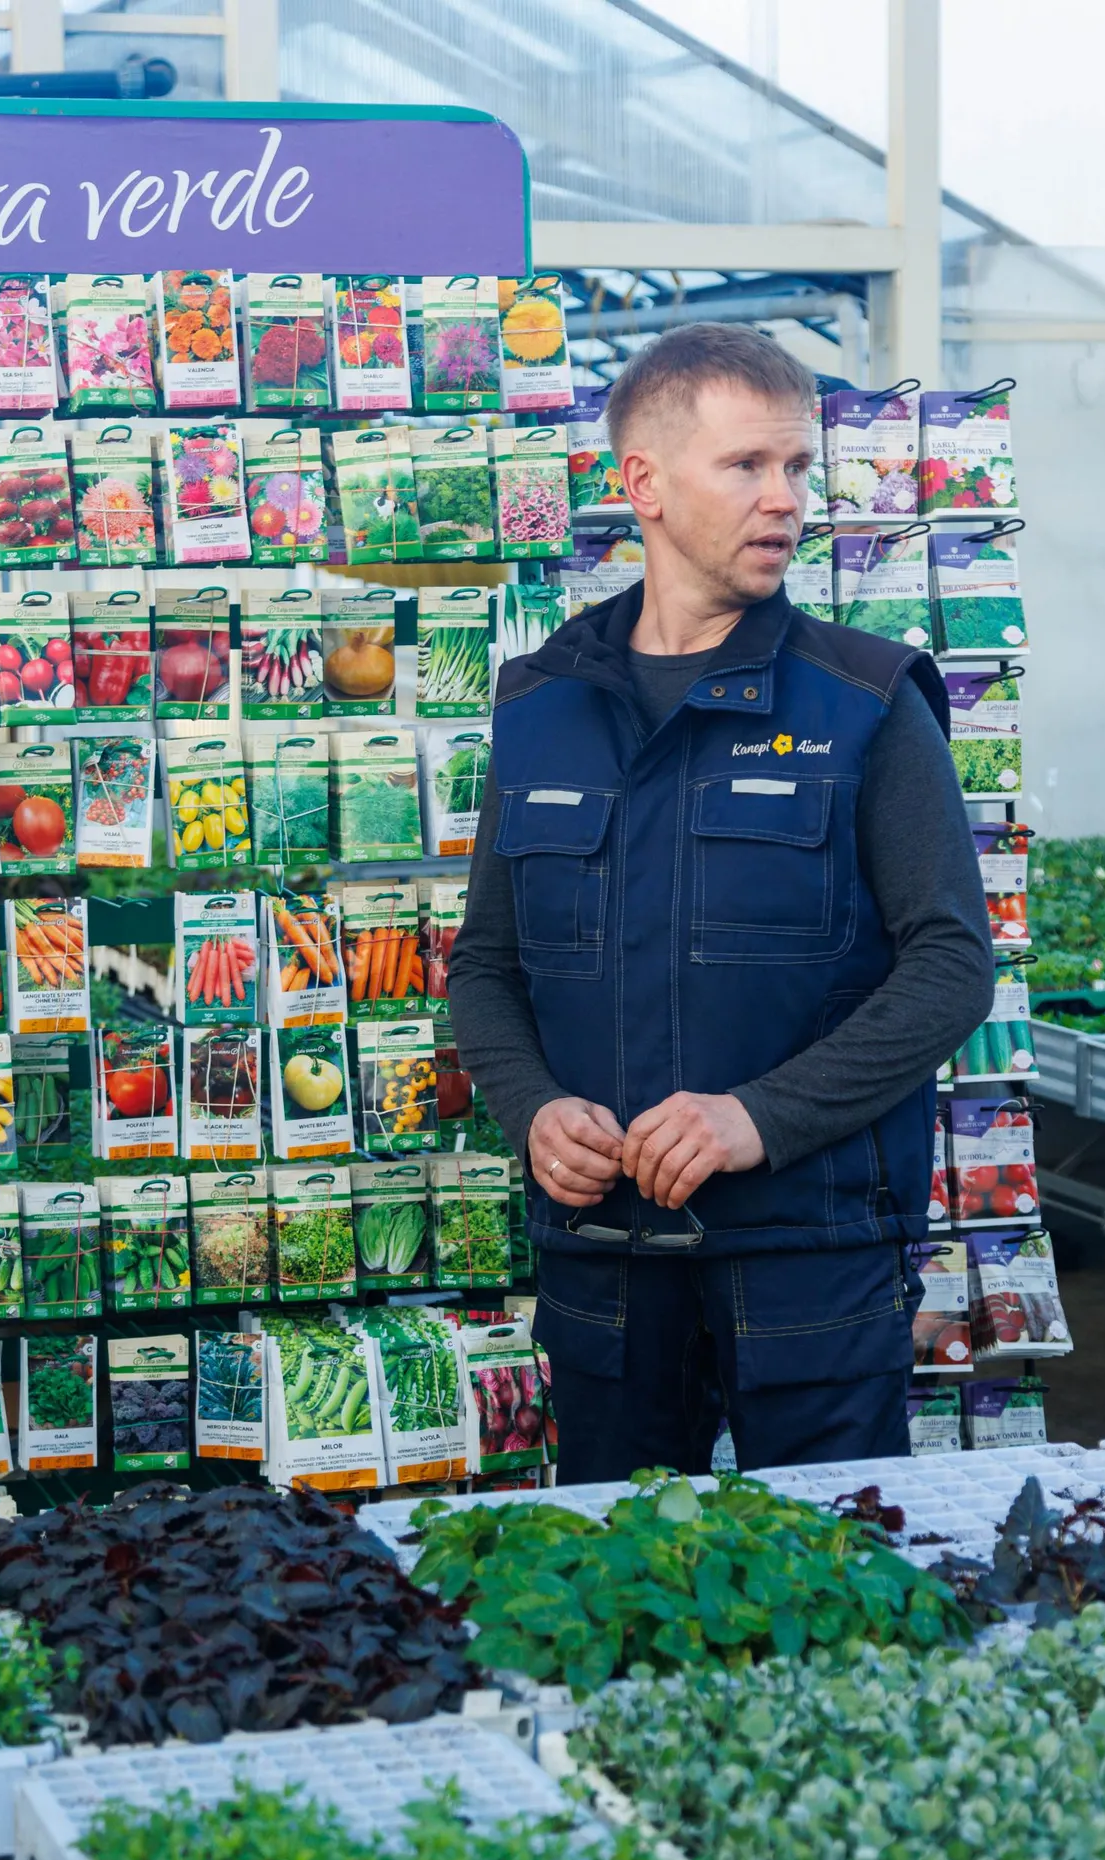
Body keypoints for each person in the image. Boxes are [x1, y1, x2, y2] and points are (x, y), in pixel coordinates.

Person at [448, 323, 993, 1482]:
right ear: (640, 482)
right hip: (603, 1264)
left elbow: (949, 966)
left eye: (796, 469)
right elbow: (485, 968)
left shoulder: (866, 701)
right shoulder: (540, 707)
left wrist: (760, 1116)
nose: (782, 499)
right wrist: (533, 1108)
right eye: (745, 465)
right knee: (615, 1594)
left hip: (811, 1256)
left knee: (835, 1578)